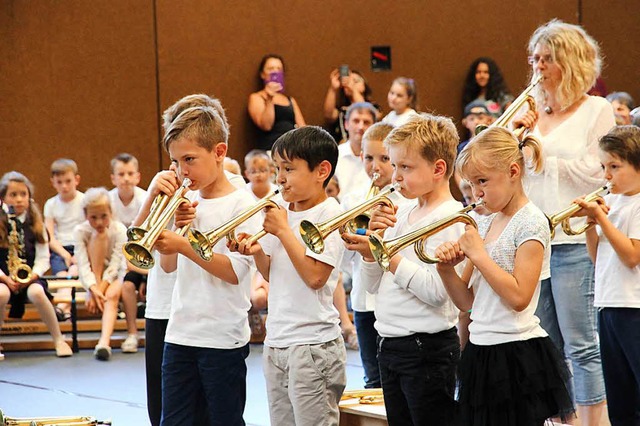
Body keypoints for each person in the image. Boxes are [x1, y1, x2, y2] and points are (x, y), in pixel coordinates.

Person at [435, 126, 574, 425]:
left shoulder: (531, 222)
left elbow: (519, 297)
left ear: (513, 171)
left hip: (516, 353)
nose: (477, 193)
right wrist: (445, 269)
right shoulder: (482, 222)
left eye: (482, 181)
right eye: (471, 185)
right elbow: (466, 301)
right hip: (481, 349)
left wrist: (480, 255)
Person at [522, 19, 615, 425]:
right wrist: (515, 139)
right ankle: (563, 418)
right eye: (535, 58)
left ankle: (595, 419)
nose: (538, 66)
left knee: (581, 343)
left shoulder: (597, 109)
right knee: (546, 341)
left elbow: (599, 170)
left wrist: (542, 154)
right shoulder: (529, 109)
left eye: (547, 59)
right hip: (533, 238)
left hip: (574, 238)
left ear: (570, 62)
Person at [345, 115, 464, 425]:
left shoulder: (451, 218)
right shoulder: (403, 211)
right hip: (390, 341)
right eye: (394, 166)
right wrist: (373, 251)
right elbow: (373, 286)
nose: (394, 177)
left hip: (427, 348)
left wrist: (389, 255)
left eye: (405, 168)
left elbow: (438, 294)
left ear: (438, 169)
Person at [139, 93, 247, 426]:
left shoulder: (241, 203)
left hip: (222, 336)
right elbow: (168, 268)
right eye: (175, 162)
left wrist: (184, 246)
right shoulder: (185, 199)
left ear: (219, 152)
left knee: (223, 420)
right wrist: (172, 231)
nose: (181, 171)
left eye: (189, 160)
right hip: (180, 333)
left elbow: (235, 273)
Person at [234, 126, 346, 426]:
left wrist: (283, 230)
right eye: (278, 169)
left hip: (313, 345)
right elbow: (271, 272)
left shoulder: (330, 213)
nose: (280, 178)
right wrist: (256, 251)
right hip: (277, 342)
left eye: (289, 169)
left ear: (322, 170)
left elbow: (315, 278)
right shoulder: (281, 210)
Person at [575, 125, 640, 426]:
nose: (607, 176)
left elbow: (630, 256)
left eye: (615, 166)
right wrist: (591, 225)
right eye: (604, 167)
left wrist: (601, 217)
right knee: (619, 394)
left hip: (634, 308)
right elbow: (597, 258)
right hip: (609, 304)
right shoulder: (615, 204)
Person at [339, 122, 398, 388]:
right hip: (364, 300)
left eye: (385, 159)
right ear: (361, 157)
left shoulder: (404, 198)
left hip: (394, 298)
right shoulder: (353, 199)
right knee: (373, 377)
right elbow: (344, 259)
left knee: (394, 376)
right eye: (370, 158)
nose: (376, 166)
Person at [0, 171, 73, 360]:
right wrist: (5, 278)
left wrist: (33, 275)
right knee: (1, 293)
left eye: (23, 194)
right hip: (4, 278)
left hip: (30, 277)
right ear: (3, 198)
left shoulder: (36, 223)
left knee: (37, 293)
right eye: (13, 195)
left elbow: (43, 257)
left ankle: (58, 339)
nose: (18, 200)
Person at [74, 187, 127, 361]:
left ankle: (104, 342)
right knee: (98, 236)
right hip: (94, 276)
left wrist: (101, 289)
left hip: (118, 273)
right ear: (85, 215)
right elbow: (82, 264)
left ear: (110, 212)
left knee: (111, 295)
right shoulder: (80, 232)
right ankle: (103, 341)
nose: (99, 222)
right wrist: (92, 288)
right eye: (93, 217)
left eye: (104, 216)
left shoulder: (119, 230)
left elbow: (116, 263)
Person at [109, 153, 148, 354]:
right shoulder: (108, 200)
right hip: (121, 257)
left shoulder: (145, 199)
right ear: (113, 178)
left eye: (130, 173)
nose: (125, 178)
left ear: (137, 177)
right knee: (127, 286)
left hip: (146, 256)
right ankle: (132, 333)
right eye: (121, 174)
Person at [44, 158, 85, 321]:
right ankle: (65, 312)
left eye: (68, 181)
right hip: (60, 249)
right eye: (59, 182)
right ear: (53, 182)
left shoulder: (84, 200)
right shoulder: (51, 204)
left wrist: (77, 254)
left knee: (74, 271)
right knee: (62, 275)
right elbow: (50, 238)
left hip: (80, 247)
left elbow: (88, 232)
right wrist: (65, 255)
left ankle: (61, 308)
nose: (64, 186)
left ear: (77, 179)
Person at [248, 54, 305, 151]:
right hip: (271, 149)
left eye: (279, 69)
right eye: (270, 69)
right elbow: (266, 126)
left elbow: (303, 128)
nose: (275, 71)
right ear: (262, 74)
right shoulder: (256, 97)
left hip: (293, 149)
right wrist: (269, 99)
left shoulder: (289, 99)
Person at [333, 102, 377, 200]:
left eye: (366, 122)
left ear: (374, 127)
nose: (361, 127)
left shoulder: (381, 159)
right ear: (346, 124)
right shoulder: (334, 155)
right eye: (356, 121)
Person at [323, 67, 380, 142]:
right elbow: (328, 115)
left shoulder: (373, 107)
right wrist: (333, 88)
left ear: (364, 86)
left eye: (355, 81)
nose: (350, 83)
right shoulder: (342, 110)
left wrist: (353, 90)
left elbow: (372, 113)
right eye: (348, 81)